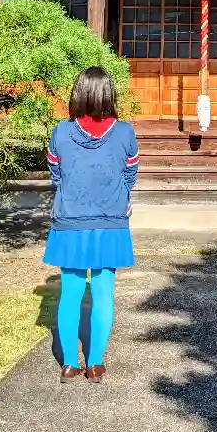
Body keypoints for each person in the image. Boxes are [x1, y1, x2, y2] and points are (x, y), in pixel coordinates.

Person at [43, 66, 138, 383]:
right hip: (111, 222)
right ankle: (95, 363)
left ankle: (69, 364)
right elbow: (130, 174)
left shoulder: (60, 132)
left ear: (77, 93)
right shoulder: (125, 132)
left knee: (70, 293)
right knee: (103, 293)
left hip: (70, 220)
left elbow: (56, 175)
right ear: (109, 94)